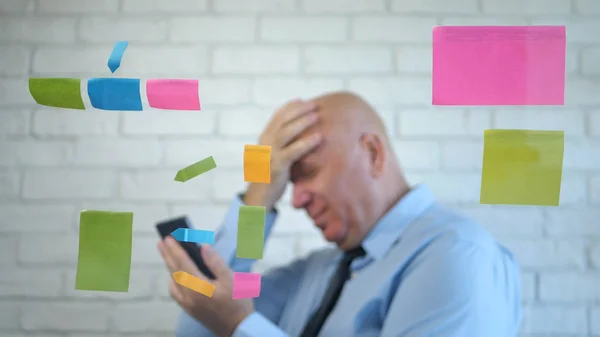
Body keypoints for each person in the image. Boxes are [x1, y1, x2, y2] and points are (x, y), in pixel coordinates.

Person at [158, 91, 522, 337]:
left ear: (373, 154)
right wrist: (259, 195)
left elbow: (232, 322)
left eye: (309, 174)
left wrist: (242, 326)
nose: (296, 200)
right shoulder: (315, 272)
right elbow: (202, 324)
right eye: (287, 183)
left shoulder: (456, 256)